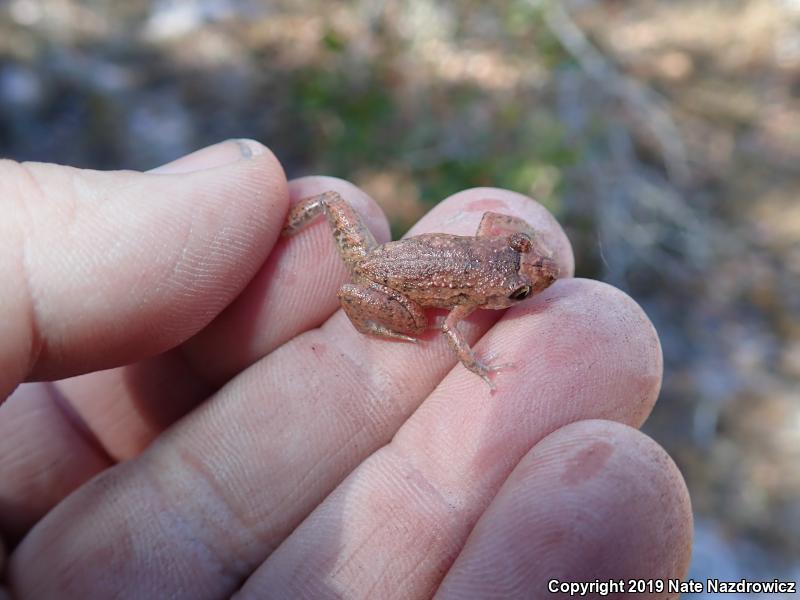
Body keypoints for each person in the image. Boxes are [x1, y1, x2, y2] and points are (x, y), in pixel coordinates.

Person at [0, 139, 691, 598]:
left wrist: (514, 254)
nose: (525, 287)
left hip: (400, 265)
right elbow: (451, 325)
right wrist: (473, 362)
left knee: (335, 206)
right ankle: (288, 243)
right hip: (383, 280)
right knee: (346, 248)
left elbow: (492, 229)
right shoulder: (468, 300)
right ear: (494, 290)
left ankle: (298, 236)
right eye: (517, 292)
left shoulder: (492, 251)